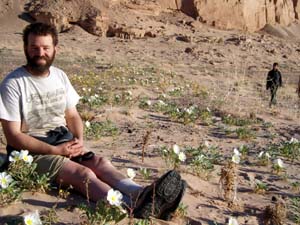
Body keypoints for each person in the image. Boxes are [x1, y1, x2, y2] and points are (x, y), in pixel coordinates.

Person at [0, 22, 186, 220]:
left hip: (62, 141)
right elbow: (13, 137)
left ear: (55, 49)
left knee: (100, 163)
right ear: (25, 49)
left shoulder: (60, 76)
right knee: (83, 174)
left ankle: (142, 194)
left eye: (45, 48)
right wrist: (55, 151)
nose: (40, 53)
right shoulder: (13, 84)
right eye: (34, 47)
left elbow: (72, 116)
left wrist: (79, 139)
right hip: (30, 154)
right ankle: (130, 206)